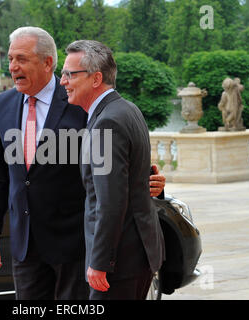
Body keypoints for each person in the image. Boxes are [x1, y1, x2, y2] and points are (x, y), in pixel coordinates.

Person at [0, 27, 165, 300]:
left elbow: (116, 168)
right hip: (26, 246)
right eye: (9, 59)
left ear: (47, 63)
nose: (12, 67)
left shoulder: (82, 102)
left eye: (21, 58)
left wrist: (151, 183)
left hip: (74, 247)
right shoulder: (3, 104)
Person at [60, 40, 165, 300]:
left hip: (119, 262)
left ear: (96, 78)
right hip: (136, 255)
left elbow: (110, 202)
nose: (63, 81)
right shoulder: (128, 109)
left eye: (69, 74)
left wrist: (100, 261)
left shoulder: (107, 122)